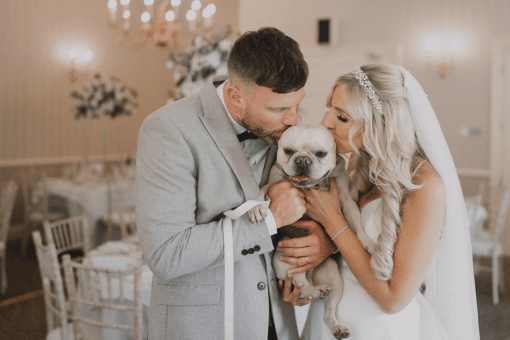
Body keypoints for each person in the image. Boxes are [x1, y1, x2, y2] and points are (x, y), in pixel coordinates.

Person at [136, 27, 333, 340]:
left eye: (297, 105)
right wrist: (270, 218)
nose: (293, 120)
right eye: (278, 108)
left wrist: (323, 244)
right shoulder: (168, 130)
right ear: (235, 95)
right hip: (203, 329)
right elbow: (166, 254)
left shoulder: (284, 133)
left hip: (277, 324)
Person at [277, 64, 480, 340]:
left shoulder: (426, 186)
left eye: (342, 117)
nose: (327, 122)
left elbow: (393, 300)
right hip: (328, 321)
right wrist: (321, 254)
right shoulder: (357, 168)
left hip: (379, 330)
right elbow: (352, 251)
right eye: (330, 108)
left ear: (379, 124)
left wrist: (333, 221)